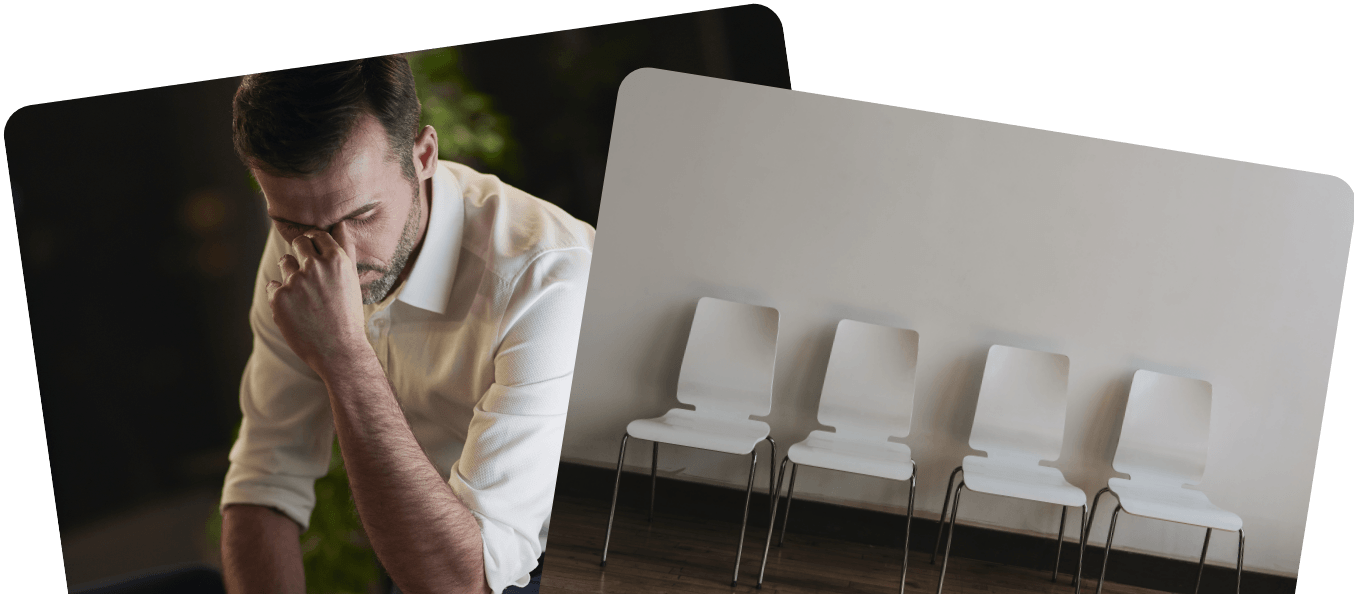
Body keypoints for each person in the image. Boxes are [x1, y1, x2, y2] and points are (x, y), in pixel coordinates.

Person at [218, 55, 593, 594]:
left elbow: (465, 580)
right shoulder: (303, 247)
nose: (336, 259)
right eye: (294, 225)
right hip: (420, 537)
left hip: (556, 560)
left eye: (361, 217)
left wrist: (343, 355)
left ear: (423, 155)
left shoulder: (546, 278)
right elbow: (264, 480)